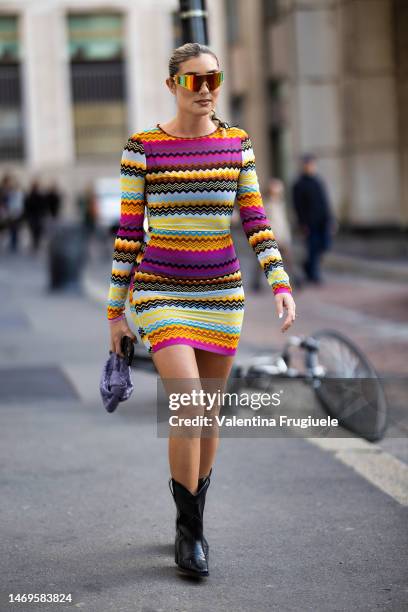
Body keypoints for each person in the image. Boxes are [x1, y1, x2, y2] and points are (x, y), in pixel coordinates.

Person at [106, 42, 296, 578]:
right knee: (189, 403)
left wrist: (279, 281)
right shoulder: (142, 147)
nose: (207, 88)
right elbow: (127, 235)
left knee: (207, 412)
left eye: (213, 78)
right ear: (172, 85)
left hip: (221, 293)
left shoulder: (237, 143)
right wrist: (114, 314)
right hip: (160, 289)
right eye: (194, 80)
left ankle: (191, 520)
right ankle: (190, 535)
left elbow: (256, 222)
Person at [292, 153, 337, 285]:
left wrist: (331, 219)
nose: (310, 167)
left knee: (324, 245)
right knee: (312, 248)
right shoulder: (298, 184)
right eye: (307, 165)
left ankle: (307, 266)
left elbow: (325, 202)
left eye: (312, 164)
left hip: (323, 221)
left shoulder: (318, 181)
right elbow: (298, 207)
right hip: (309, 223)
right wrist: (302, 224)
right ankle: (313, 274)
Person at [251, 178, 298, 291]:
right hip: (270, 237)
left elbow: (283, 221)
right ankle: (256, 282)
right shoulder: (265, 203)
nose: (277, 189)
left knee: (288, 259)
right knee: (263, 260)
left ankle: (297, 279)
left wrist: (286, 235)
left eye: (279, 187)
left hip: (282, 236)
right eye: (275, 186)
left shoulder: (281, 203)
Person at [24, 179, 48, 252]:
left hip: (36, 216)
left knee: (36, 231)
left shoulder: (36, 195)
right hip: (34, 216)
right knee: (35, 231)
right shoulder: (30, 195)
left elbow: (43, 206)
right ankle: (35, 243)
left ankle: (35, 243)